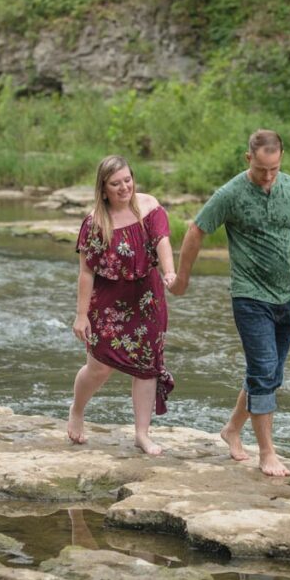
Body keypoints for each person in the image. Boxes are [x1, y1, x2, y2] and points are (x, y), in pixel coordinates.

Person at [169, 129, 290, 477]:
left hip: (287, 296)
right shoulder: (230, 194)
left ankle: (231, 429)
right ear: (249, 159)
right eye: (262, 169)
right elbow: (196, 231)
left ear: (281, 158)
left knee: (271, 374)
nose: (268, 175)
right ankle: (267, 452)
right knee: (263, 371)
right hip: (249, 296)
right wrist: (182, 280)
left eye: (274, 168)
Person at [68, 155, 176, 455]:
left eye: (127, 180)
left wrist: (169, 272)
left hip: (147, 300)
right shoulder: (95, 222)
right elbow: (86, 272)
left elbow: (162, 241)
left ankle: (142, 434)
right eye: (116, 184)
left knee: (146, 367)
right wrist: (80, 315)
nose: (124, 187)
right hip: (108, 304)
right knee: (99, 367)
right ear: (103, 189)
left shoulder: (149, 207)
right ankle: (77, 409)